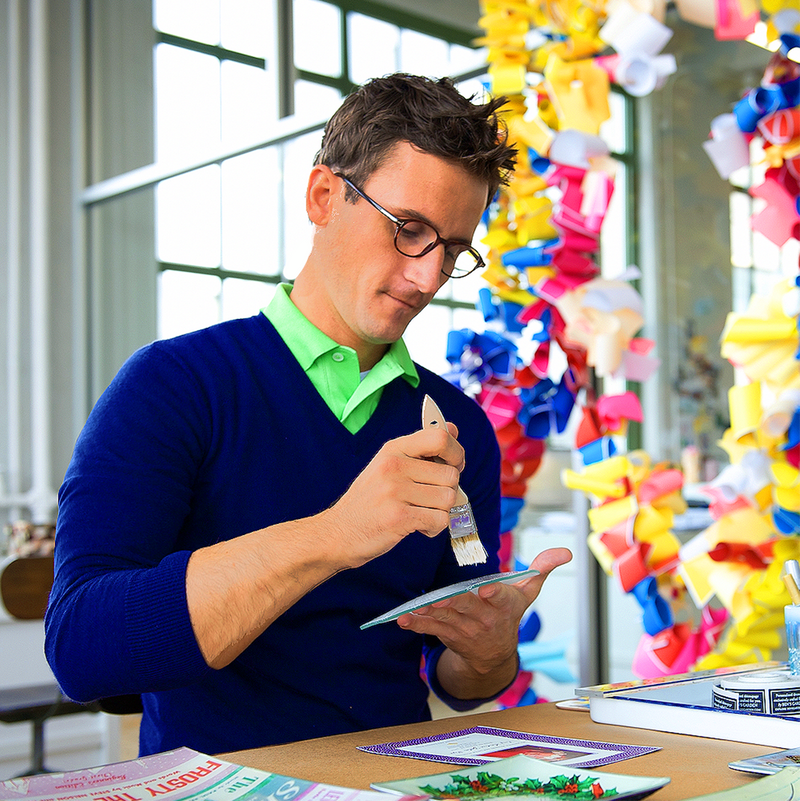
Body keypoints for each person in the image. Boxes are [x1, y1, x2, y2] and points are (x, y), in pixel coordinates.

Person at [45, 73, 572, 757]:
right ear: (324, 197)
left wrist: (490, 651)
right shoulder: (172, 387)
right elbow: (82, 648)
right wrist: (335, 533)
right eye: (409, 230)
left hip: (395, 779)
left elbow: (465, 678)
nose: (427, 277)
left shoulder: (457, 427)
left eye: (453, 248)